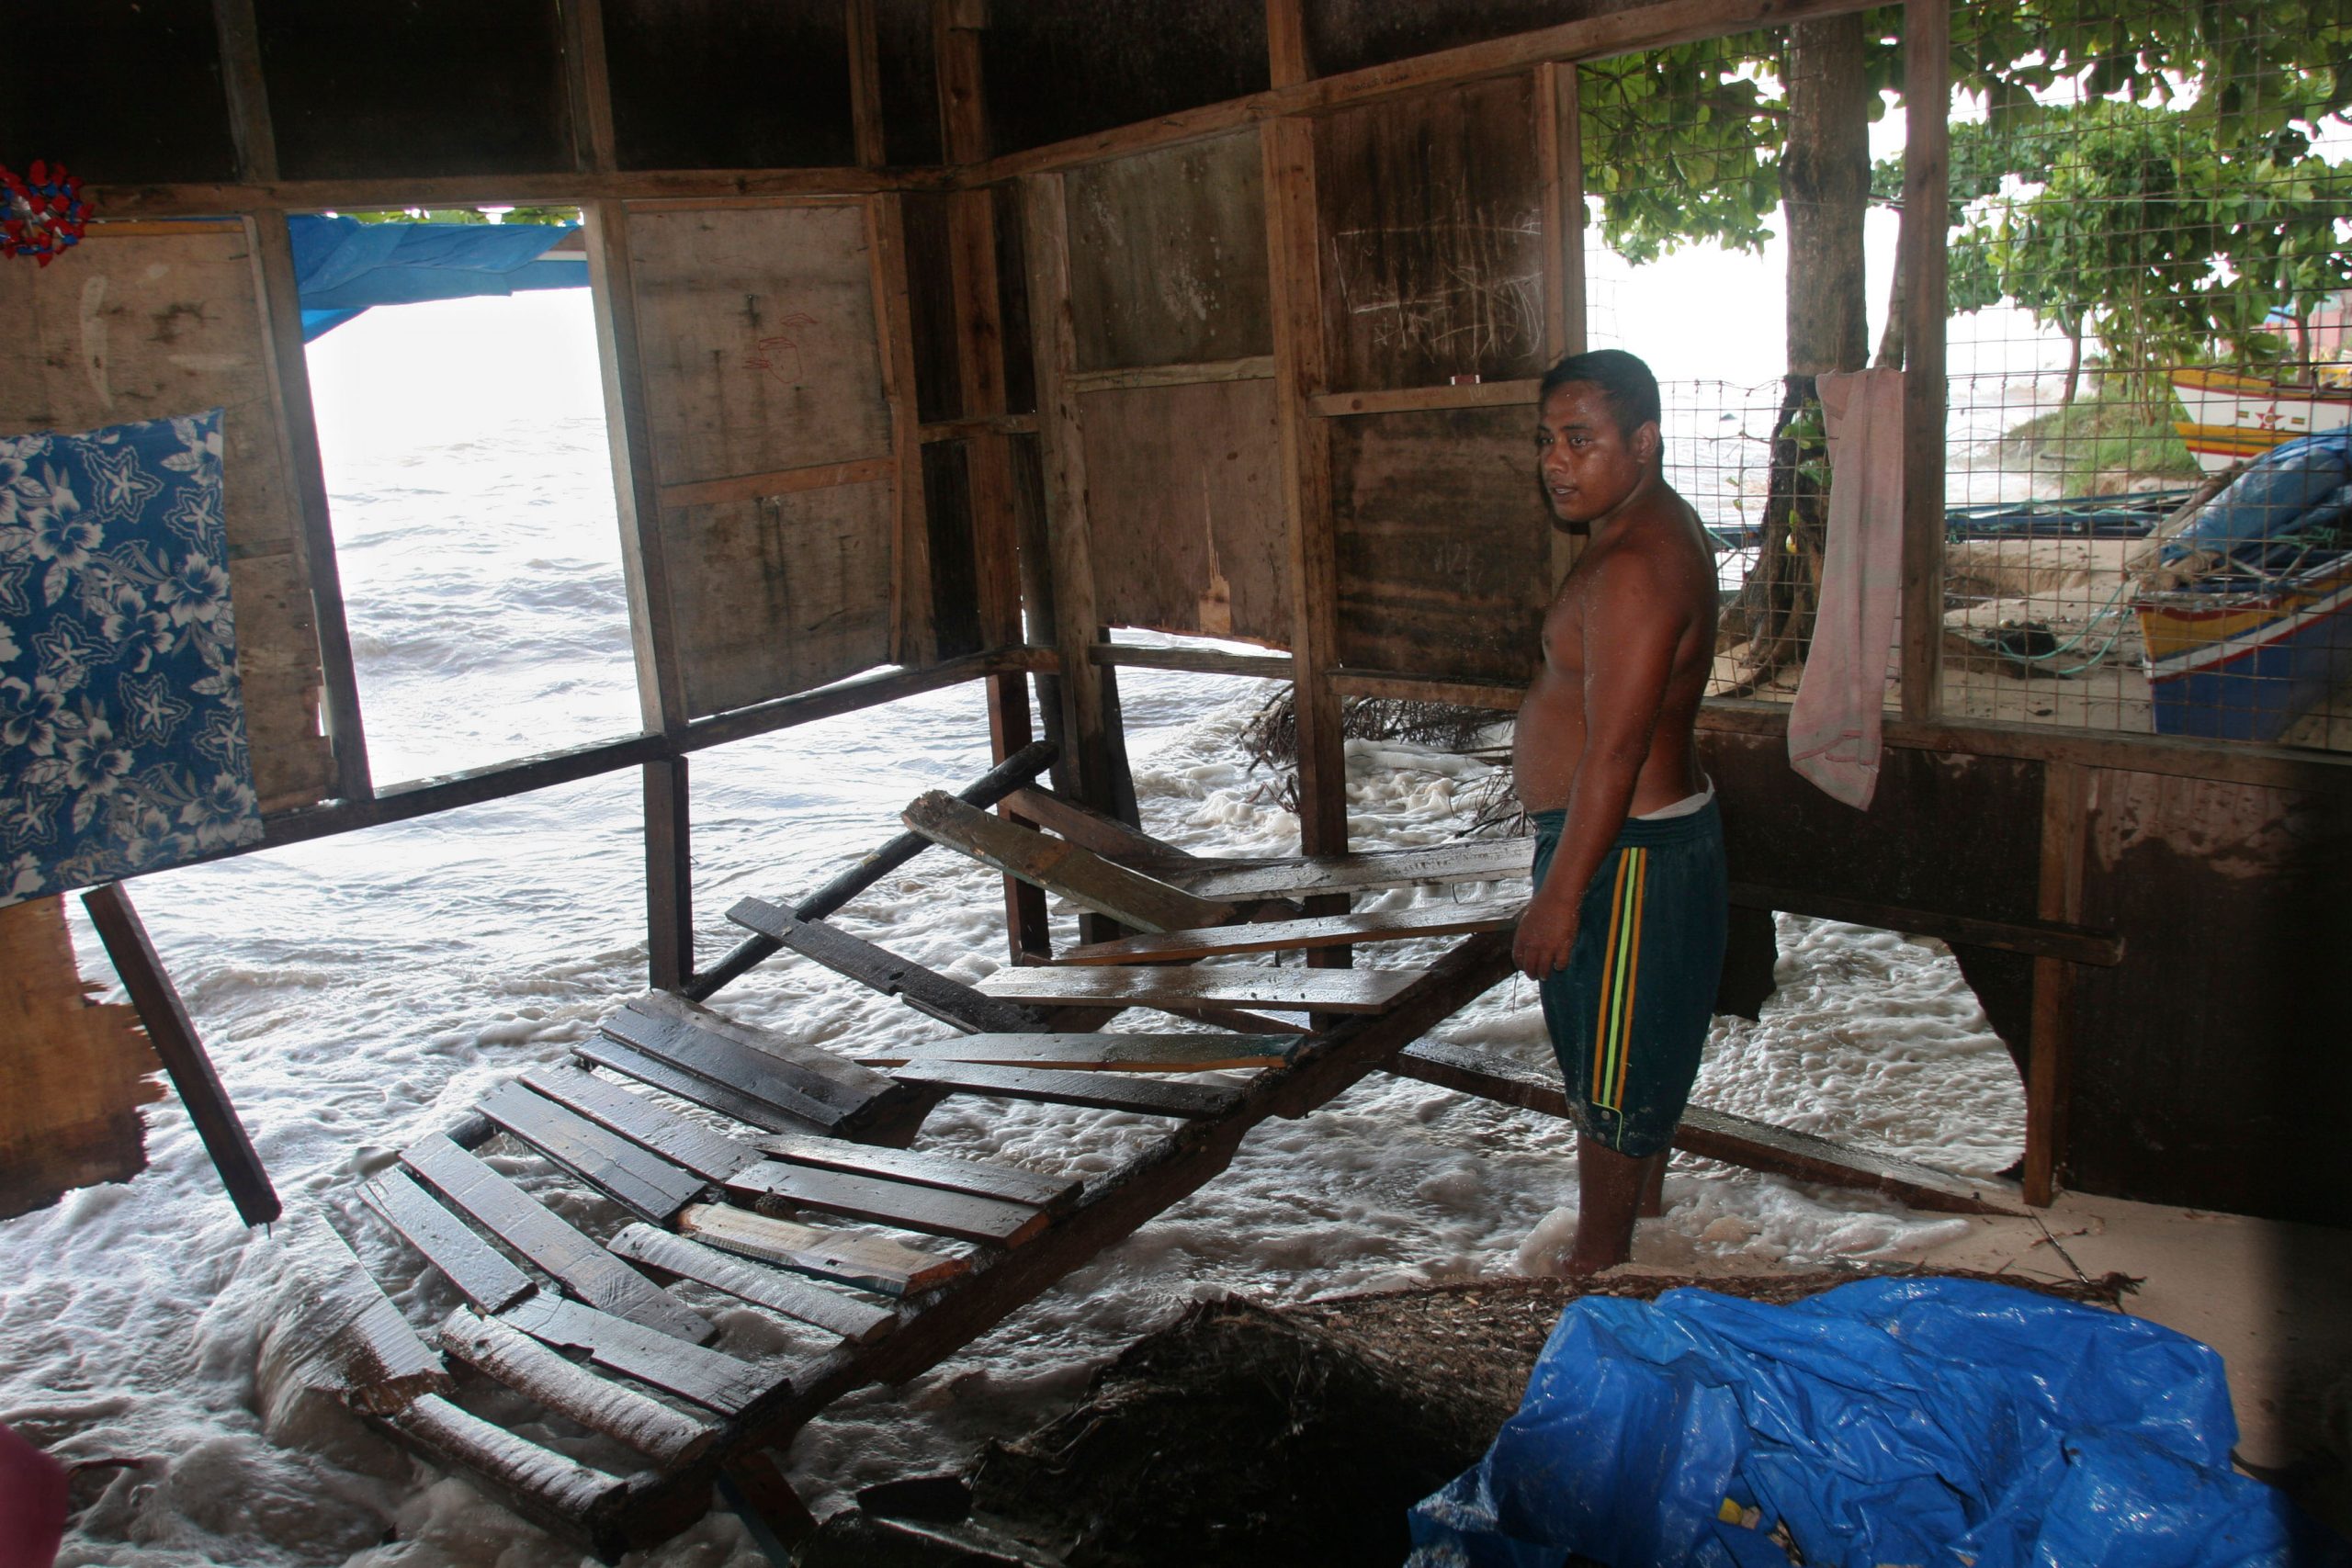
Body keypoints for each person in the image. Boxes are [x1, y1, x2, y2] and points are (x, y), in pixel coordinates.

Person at [1510, 348, 1727, 1275]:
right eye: (1547, 441)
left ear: (1643, 442)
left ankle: (1592, 1275)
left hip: (1624, 855)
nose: (1557, 462)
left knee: (1611, 1081)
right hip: (1629, 844)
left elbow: (1614, 751)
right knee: (1633, 1068)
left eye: (1581, 441)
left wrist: (1559, 898)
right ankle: (1636, 1248)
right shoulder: (1633, 531)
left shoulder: (1640, 563)